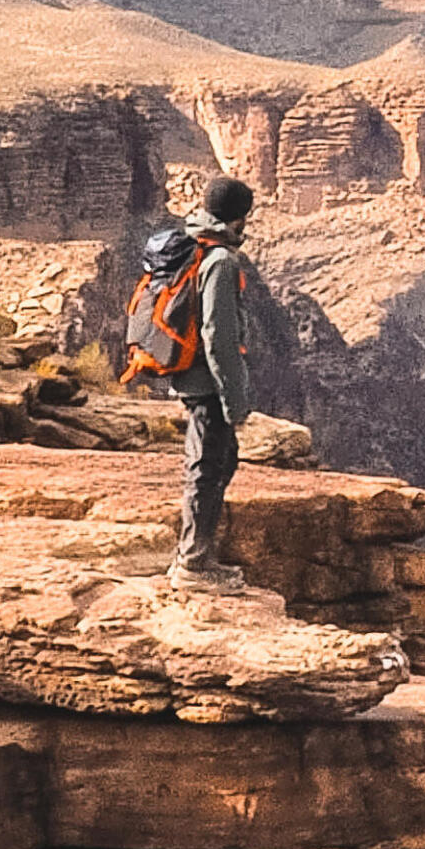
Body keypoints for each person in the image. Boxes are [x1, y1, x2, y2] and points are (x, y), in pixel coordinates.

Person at [167, 176, 257, 594]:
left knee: (220, 462)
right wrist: (234, 401)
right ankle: (193, 566)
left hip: (192, 376)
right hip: (207, 383)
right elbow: (219, 336)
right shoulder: (221, 260)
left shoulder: (195, 242)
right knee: (207, 468)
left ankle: (196, 555)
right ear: (238, 217)